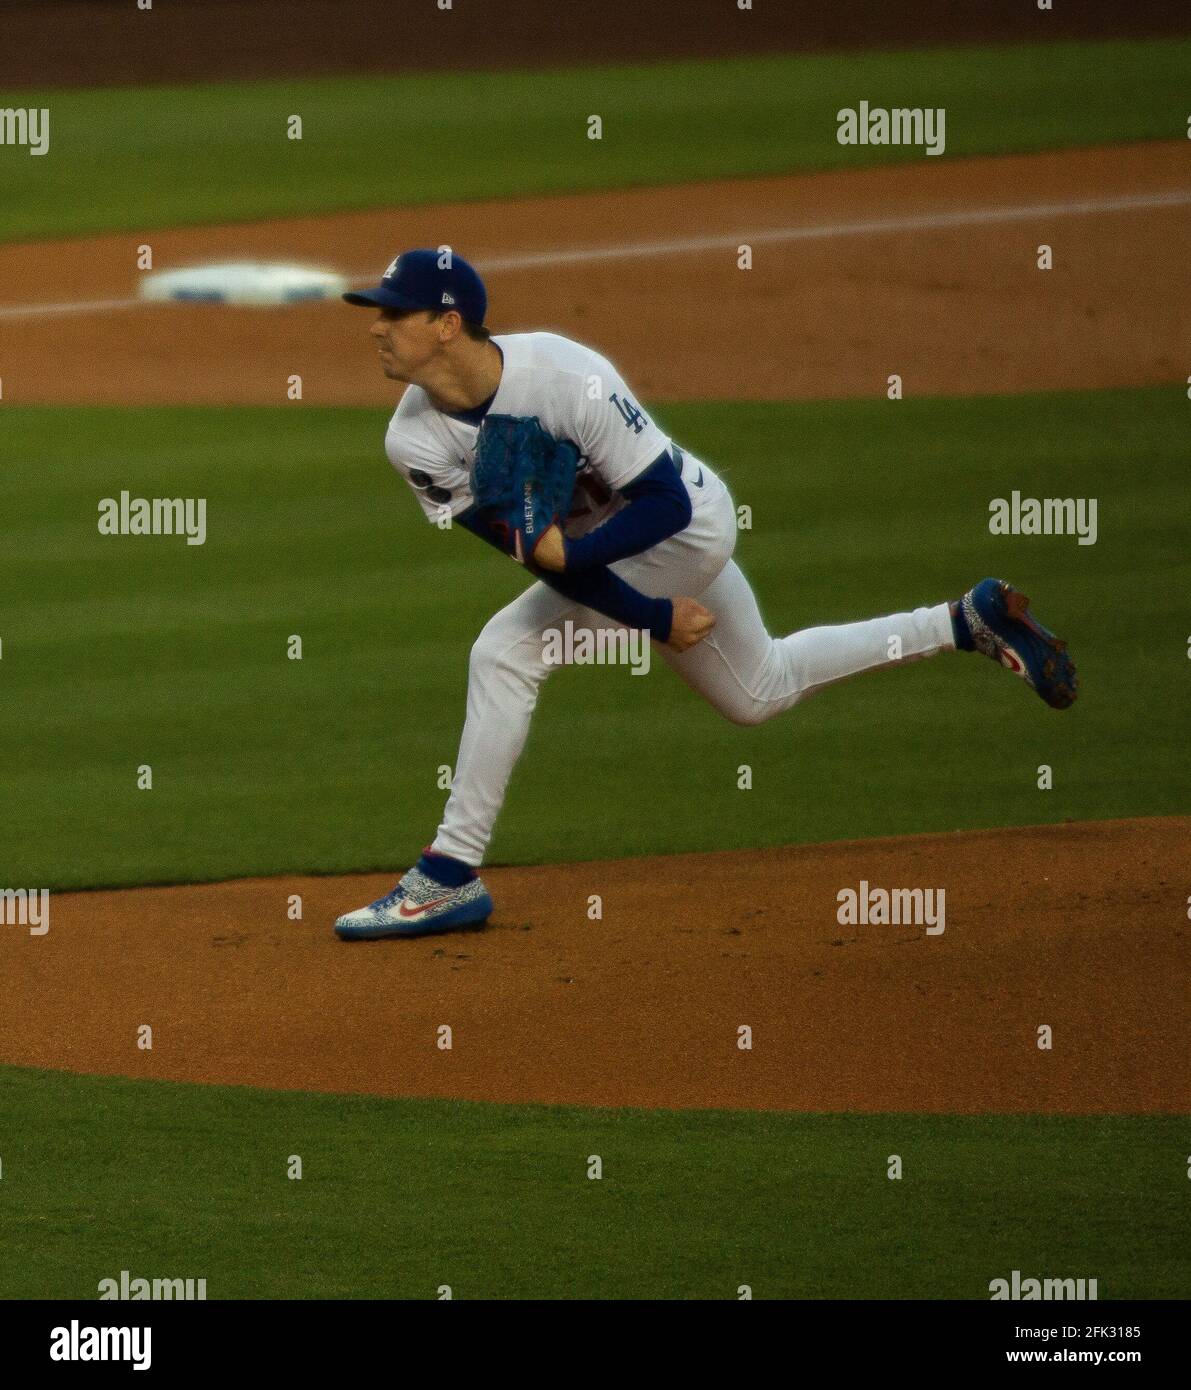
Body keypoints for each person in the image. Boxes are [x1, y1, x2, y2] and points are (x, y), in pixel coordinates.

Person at [333, 249, 1077, 940]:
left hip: (686, 531)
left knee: (504, 651)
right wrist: (648, 613)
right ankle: (963, 621)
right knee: (756, 690)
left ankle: (448, 874)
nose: (376, 328)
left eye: (394, 314)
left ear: (448, 325)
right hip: (629, 564)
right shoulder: (415, 443)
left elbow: (664, 504)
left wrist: (621, 587)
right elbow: (545, 565)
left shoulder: (563, 373)